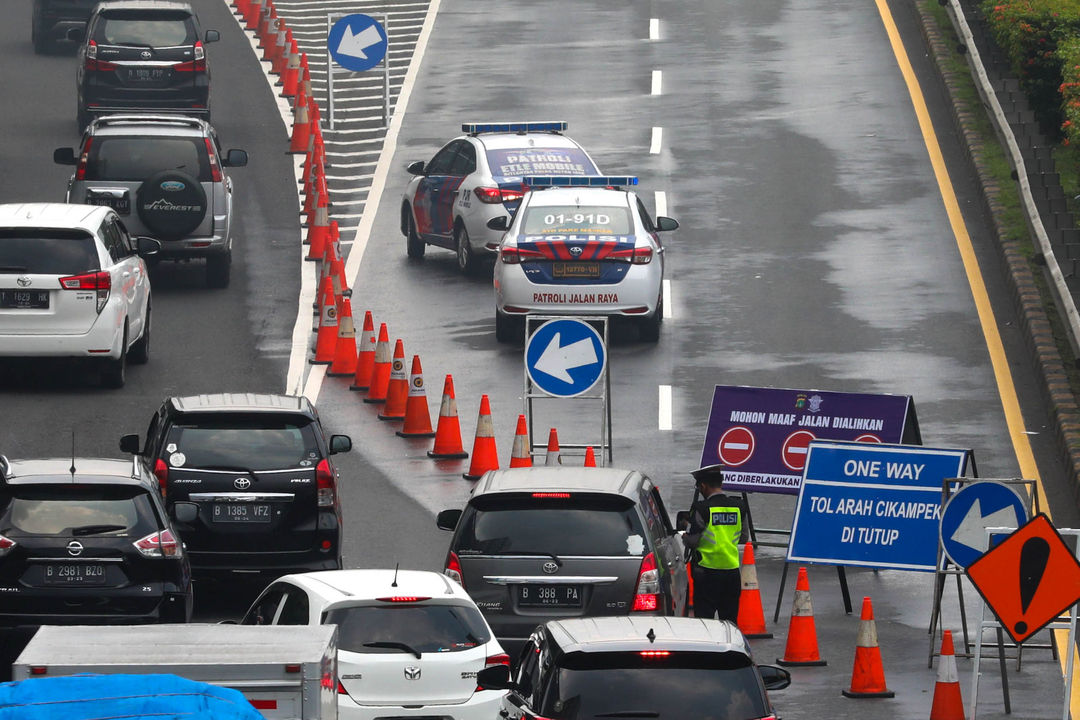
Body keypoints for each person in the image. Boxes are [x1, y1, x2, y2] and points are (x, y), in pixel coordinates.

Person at [682, 464, 748, 624]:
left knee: (705, 624)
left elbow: (692, 541)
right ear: (720, 484)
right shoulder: (739, 507)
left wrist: (684, 533)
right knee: (730, 623)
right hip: (732, 572)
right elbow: (744, 537)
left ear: (703, 486)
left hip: (706, 573)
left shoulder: (702, 508)